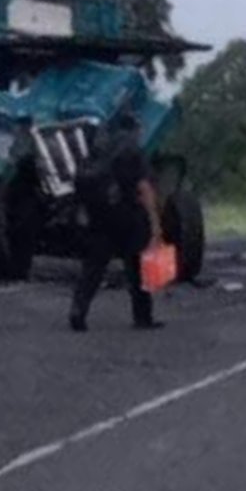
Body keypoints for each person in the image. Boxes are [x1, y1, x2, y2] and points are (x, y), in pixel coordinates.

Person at [68, 110, 165, 332]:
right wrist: (156, 225)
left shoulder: (99, 148)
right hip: (128, 216)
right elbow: (144, 189)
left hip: (99, 216)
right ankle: (142, 317)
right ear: (133, 129)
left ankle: (78, 310)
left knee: (93, 267)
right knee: (137, 268)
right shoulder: (133, 151)